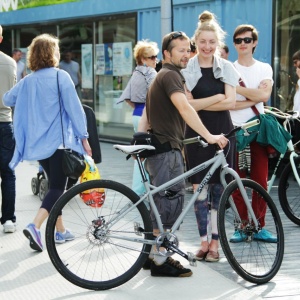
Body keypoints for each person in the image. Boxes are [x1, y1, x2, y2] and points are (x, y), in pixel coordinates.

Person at [138, 30, 228, 277]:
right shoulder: (170, 76)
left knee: (160, 203)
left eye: (188, 50)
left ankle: (152, 254)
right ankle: (161, 260)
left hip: (161, 147)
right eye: (180, 50)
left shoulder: (162, 75)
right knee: (170, 203)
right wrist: (209, 136)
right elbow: (185, 108)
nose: (186, 54)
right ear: (166, 53)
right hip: (167, 151)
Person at [3, 33, 92, 251]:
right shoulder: (60, 77)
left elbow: (7, 99)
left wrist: (25, 89)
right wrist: (84, 138)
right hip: (58, 144)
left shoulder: (28, 81)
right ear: (53, 54)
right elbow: (75, 109)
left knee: (53, 186)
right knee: (57, 189)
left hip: (38, 146)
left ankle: (60, 231)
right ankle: (35, 225)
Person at [181, 11, 240, 262]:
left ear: (218, 43)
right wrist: (217, 98)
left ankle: (215, 244)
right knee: (199, 192)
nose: (207, 47)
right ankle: (203, 242)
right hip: (195, 134)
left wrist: (203, 102)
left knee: (218, 193)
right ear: (196, 42)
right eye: (203, 42)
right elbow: (186, 106)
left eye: (212, 42)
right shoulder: (187, 68)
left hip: (223, 133)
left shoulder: (226, 67)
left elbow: (231, 101)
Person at [229, 24, 276, 243]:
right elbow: (226, 103)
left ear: (254, 42)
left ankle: (259, 226)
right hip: (234, 131)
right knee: (236, 182)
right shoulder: (228, 68)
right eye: (238, 41)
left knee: (260, 182)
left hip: (258, 130)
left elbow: (265, 95)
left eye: (247, 40)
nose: (242, 44)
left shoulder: (264, 68)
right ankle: (241, 226)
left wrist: (237, 91)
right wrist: (253, 97)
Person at [118, 40, 158, 196]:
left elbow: (126, 96)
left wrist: (138, 107)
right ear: (143, 59)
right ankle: (140, 189)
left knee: (140, 154)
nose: (156, 60)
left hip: (136, 115)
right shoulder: (151, 73)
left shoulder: (136, 73)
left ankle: (139, 189)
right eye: (152, 57)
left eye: (156, 57)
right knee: (145, 154)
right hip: (146, 117)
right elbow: (157, 97)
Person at [0, 25, 17, 233]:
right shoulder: (10, 63)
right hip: (5, 122)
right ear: (1, 38)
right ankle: (8, 220)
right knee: (8, 173)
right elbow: (13, 95)